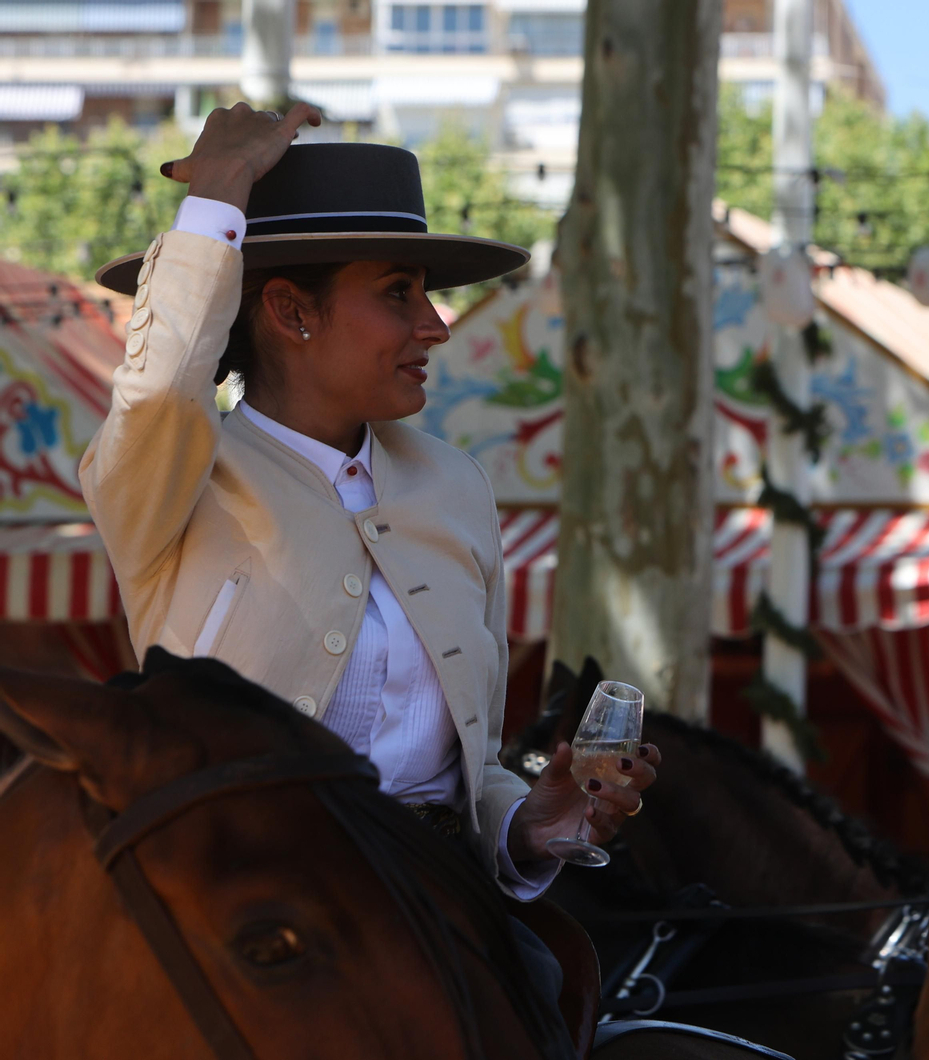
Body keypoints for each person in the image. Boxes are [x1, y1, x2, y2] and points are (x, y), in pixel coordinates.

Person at [82, 103, 661, 1054]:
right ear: (290, 311)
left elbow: (462, 774)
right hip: (241, 938)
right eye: (399, 293)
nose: (436, 325)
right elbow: (156, 395)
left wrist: (530, 825)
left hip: (439, 918)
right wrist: (219, 195)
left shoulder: (456, 488)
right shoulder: (172, 480)